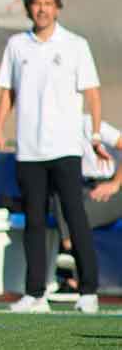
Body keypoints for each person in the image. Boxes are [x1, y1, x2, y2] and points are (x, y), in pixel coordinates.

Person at [0, 0, 111, 314]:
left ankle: (88, 291)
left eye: (48, 3)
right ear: (29, 8)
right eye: (36, 3)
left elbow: (93, 92)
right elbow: (7, 92)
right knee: (35, 221)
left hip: (66, 148)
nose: (42, 9)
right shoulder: (16, 45)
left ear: (57, 8)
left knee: (75, 216)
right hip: (29, 149)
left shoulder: (75, 45)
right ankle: (35, 293)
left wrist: (95, 136)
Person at [48, 114, 122, 299]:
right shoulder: (51, 132)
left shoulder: (91, 125)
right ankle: (68, 250)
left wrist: (115, 184)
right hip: (82, 187)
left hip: (113, 189)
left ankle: (73, 276)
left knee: (77, 216)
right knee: (59, 195)